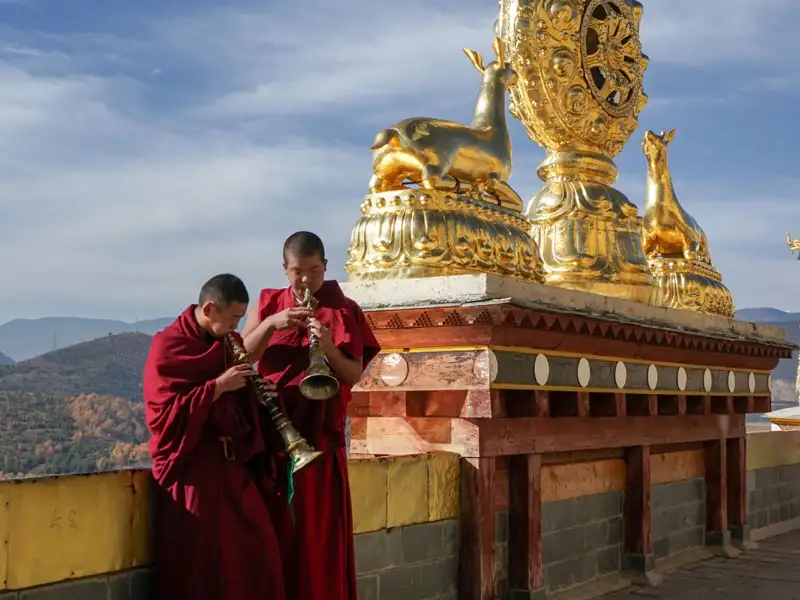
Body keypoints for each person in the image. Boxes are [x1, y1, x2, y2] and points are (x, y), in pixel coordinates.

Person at [242, 232, 381, 600]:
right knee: (273, 537)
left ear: (326, 266)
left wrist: (331, 349)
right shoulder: (269, 303)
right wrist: (272, 324)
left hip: (319, 444)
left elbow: (353, 374)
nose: (305, 281)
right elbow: (241, 357)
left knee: (315, 541)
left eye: (314, 271)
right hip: (272, 439)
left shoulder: (343, 309)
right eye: (297, 272)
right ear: (284, 269)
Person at [143, 273, 285, 600]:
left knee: (260, 554)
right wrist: (217, 387)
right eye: (234, 318)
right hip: (194, 472)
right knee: (201, 567)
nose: (238, 327)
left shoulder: (225, 345)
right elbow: (164, 417)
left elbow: (237, 407)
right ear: (209, 309)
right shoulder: (168, 347)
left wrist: (258, 394)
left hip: (234, 470)